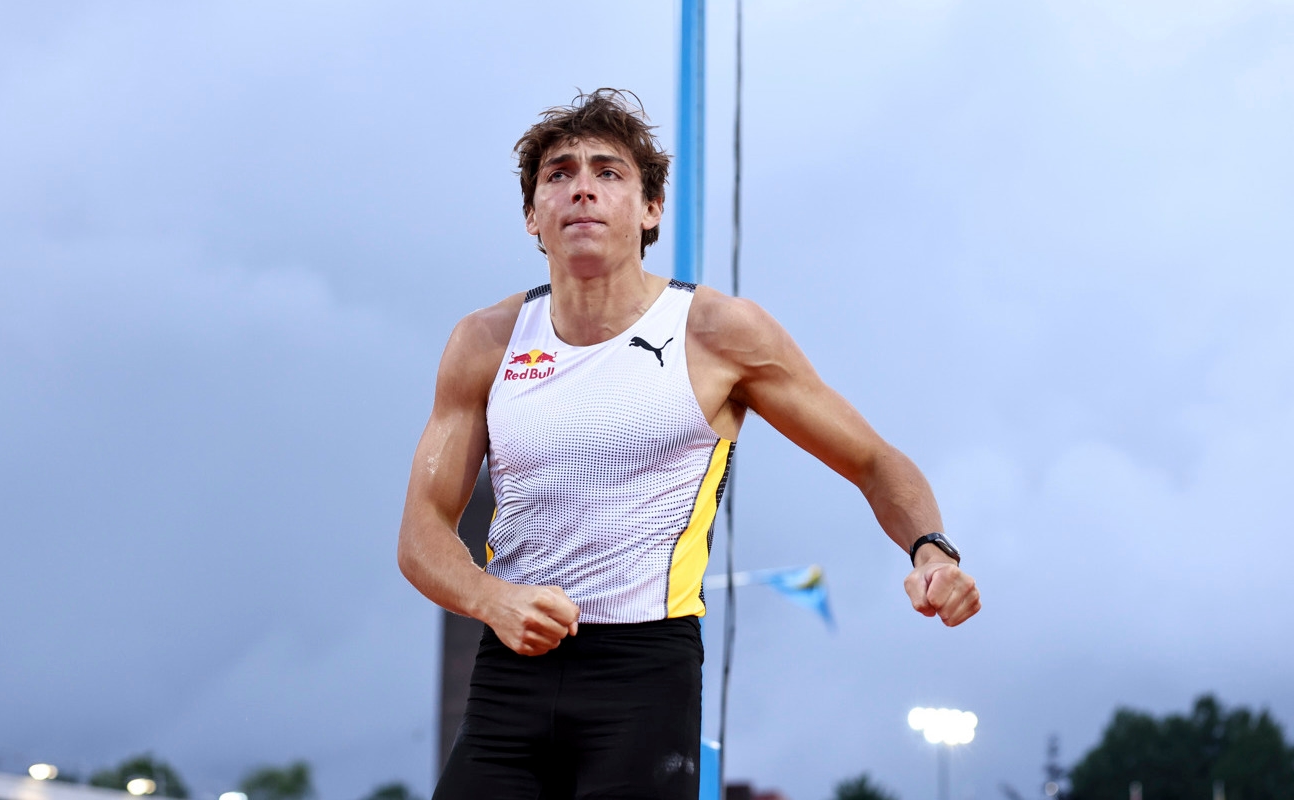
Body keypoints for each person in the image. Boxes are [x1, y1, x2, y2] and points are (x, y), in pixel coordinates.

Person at [398, 89, 980, 800]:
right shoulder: (485, 343)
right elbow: (421, 533)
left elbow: (873, 460)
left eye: (609, 172)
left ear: (650, 211)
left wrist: (931, 548)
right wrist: (491, 600)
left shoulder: (716, 333)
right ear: (532, 217)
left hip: (644, 676)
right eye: (559, 173)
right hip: (512, 666)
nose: (582, 186)